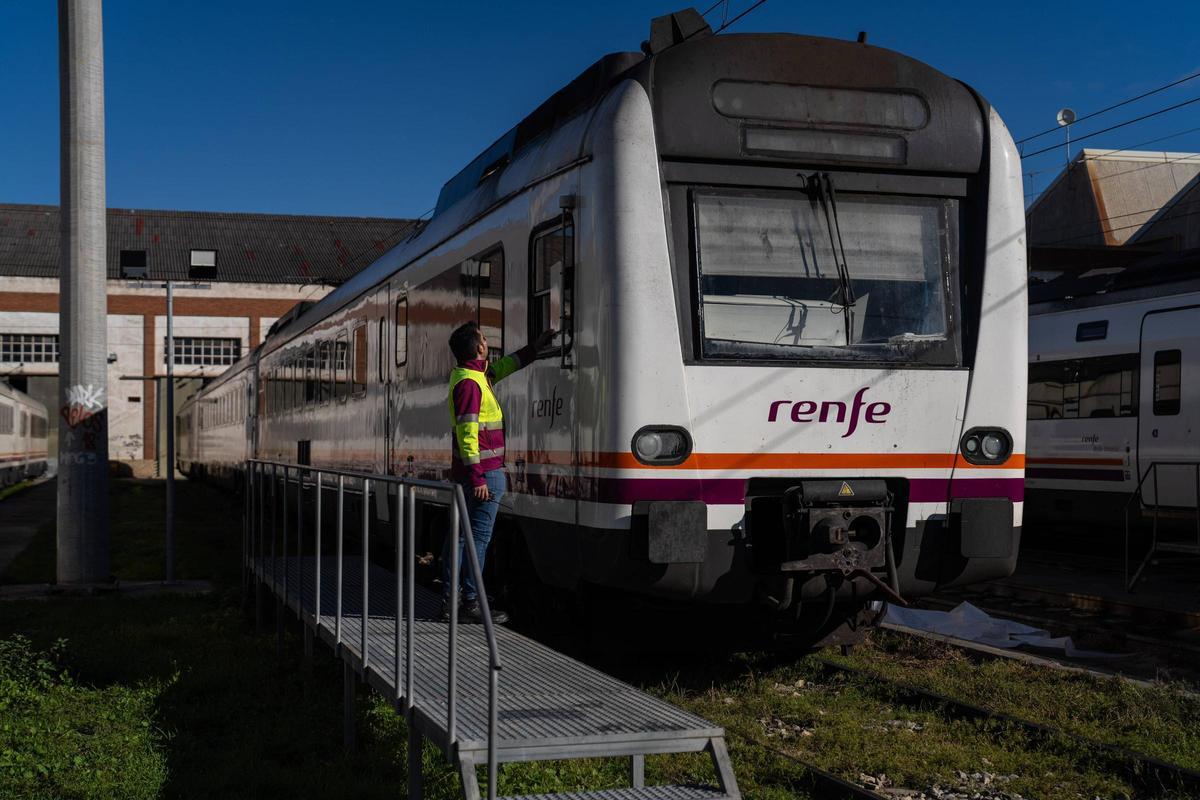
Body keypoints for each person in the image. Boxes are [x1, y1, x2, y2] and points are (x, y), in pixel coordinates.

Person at [443, 321, 556, 623]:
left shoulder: (475, 376)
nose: (487, 340)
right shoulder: (470, 384)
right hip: (483, 472)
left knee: (461, 538)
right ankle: (470, 602)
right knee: (476, 539)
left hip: (475, 471)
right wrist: (478, 477)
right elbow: (468, 434)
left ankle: (454, 600)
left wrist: (536, 346)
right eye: (483, 337)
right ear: (478, 348)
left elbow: (507, 365)